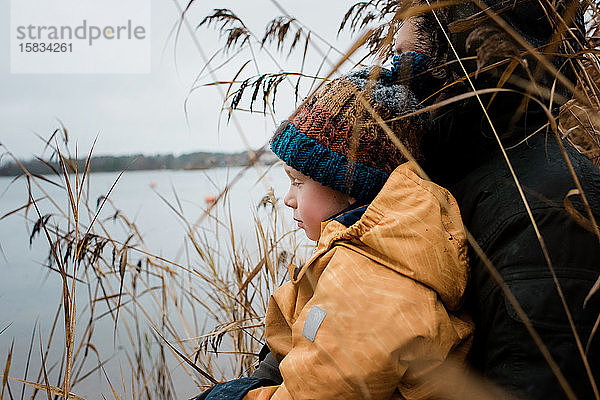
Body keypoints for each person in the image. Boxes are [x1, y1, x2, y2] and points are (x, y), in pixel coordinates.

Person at [193, 57, 473, 400]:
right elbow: (297, 329)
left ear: (350, 186)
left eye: (298, 182)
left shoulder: (370, 284)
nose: (288, 199)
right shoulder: (368, 249)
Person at [393, 1, 600, 398]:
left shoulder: (551, 211)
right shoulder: (436, 176)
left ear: (464, 59)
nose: (388, 76)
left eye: (404, 56)